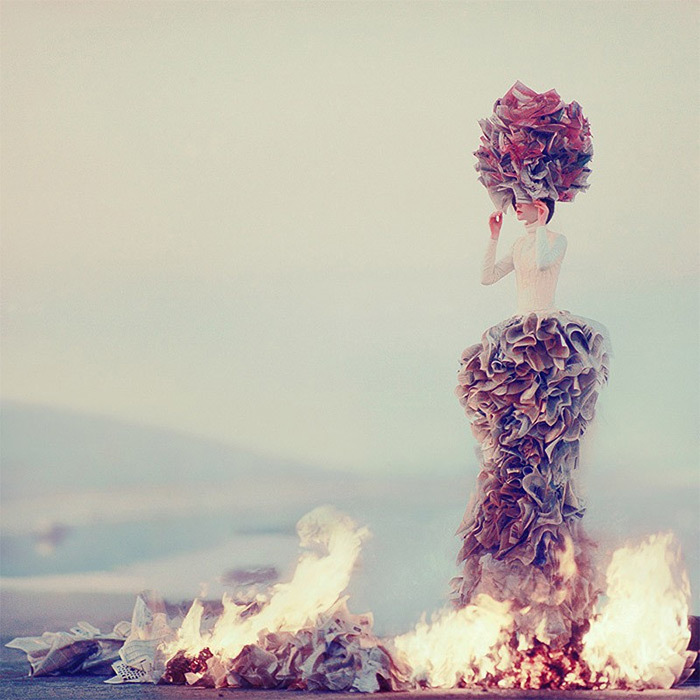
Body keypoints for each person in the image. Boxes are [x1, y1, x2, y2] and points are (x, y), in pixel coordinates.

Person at [452, 198, 609, 649]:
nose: (517, 210)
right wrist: (494, 234)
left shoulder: (554, 241)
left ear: (540, 208)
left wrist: (541, 221)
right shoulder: (522, 242)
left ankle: (554, 556)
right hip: (516, 333)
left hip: (547, 335)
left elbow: (542, 262)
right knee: (513, 428)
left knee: (550, 426)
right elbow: (487, 276)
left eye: (523, 206)